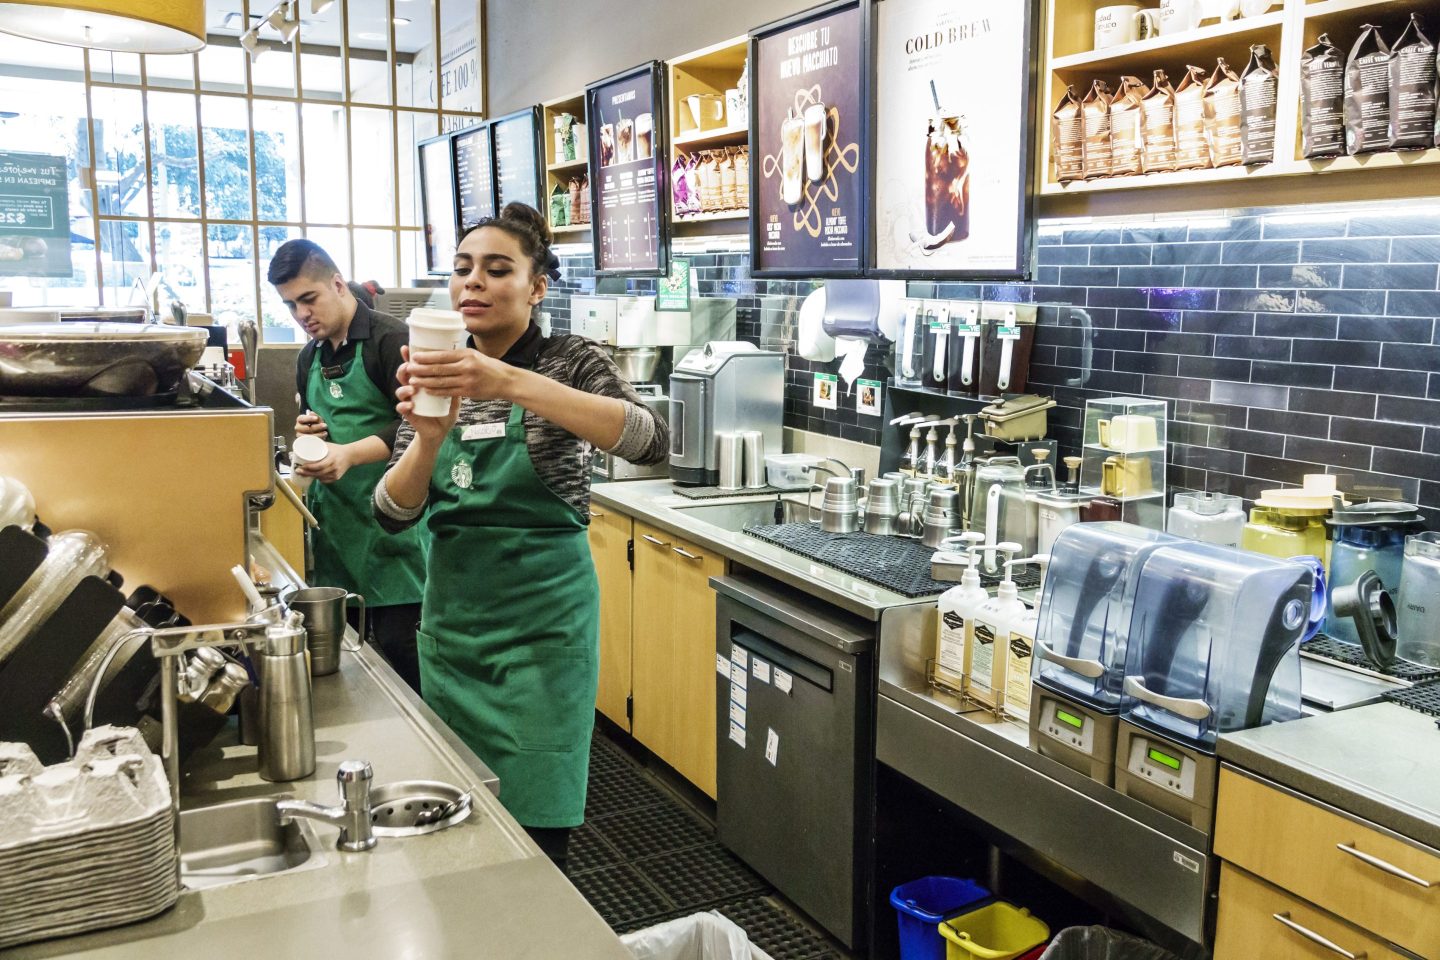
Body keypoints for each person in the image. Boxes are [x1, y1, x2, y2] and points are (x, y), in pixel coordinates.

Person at [373, 203, 669, 871]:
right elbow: (391, 513)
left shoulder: (569, 360)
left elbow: (651, 441)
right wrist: (425, 444)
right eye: (462, 269)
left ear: (537, 286)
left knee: (534, 844)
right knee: (455, 835)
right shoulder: (436, 365)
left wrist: (509, 382)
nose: (472, 282)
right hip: (455, 634)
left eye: (497, 269)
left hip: (542, 642)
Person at [268, 239, 428, 694]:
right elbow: (320, 426)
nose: (301, 315)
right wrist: (309, 435)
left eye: (308, 299)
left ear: (337, 284)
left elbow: (423, 428)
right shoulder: (310, 356)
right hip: (338, 532)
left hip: (395, 534)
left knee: (406, 659)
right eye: (290, 305)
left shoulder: (390, 342)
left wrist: (349, 455)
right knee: (349, 671)